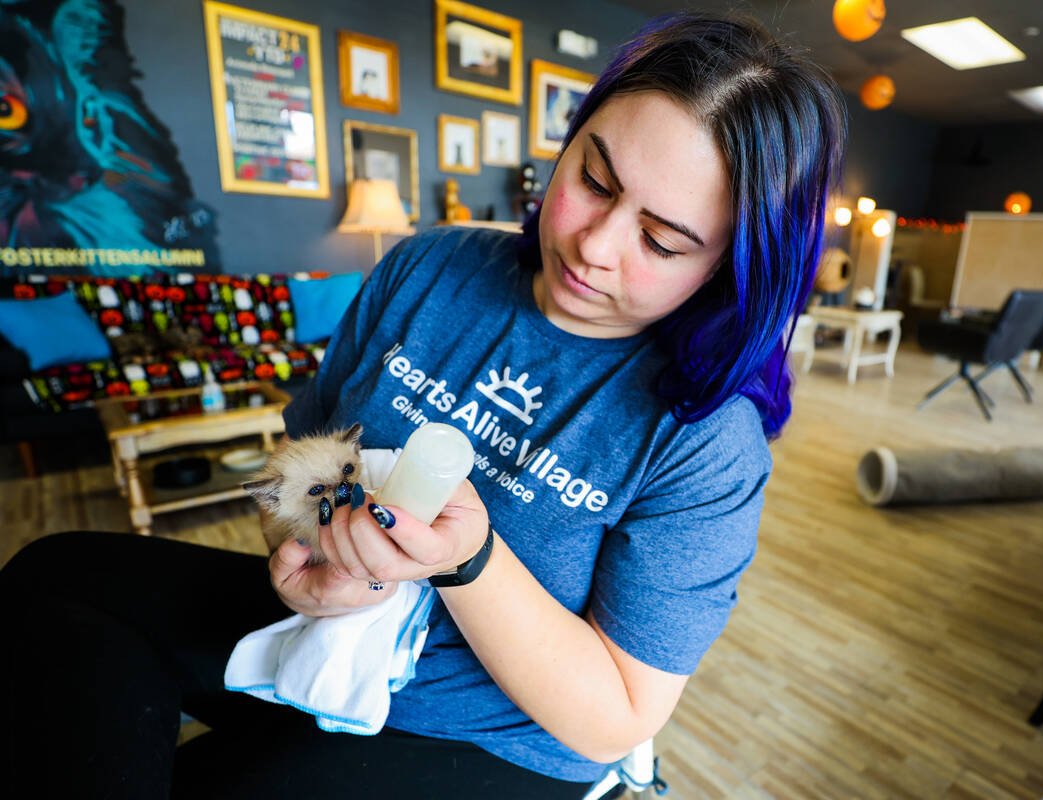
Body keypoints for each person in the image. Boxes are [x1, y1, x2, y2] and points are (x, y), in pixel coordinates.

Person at [0, 12, 844, 798]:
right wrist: (312, 556)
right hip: (328, 625)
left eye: (662, 240)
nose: (594, 245)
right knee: (53, 577)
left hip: (492, 733)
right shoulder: (431, 268)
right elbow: (297, 463)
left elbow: (617, 715)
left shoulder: (706, 438)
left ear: (732, 268)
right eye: (593, 179)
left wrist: (467, 562)